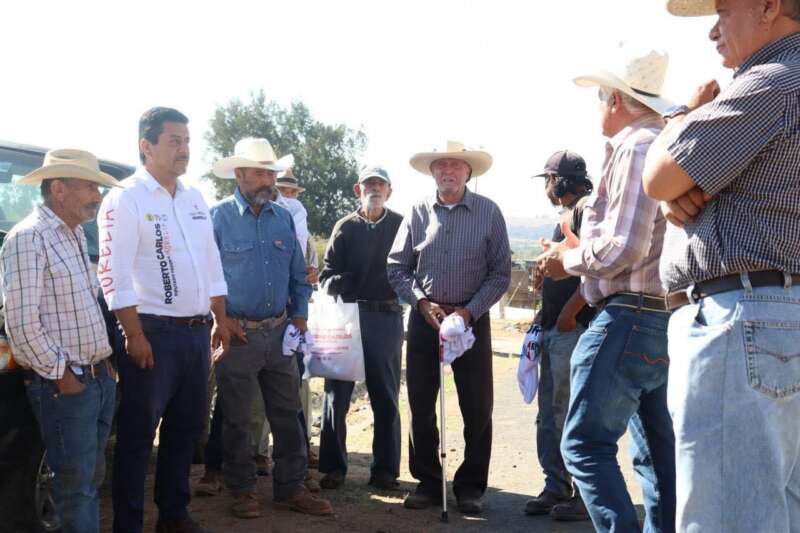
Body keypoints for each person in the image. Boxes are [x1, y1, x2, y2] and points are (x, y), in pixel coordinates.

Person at [643, 1, 800, 530]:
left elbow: (659, 177)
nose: (713, 30)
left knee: (725, 516)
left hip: (742, 318)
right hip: (775, 315)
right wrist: (676, 189)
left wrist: (682, 117)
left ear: (769, 6)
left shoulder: (773, 81)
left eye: (725, 10)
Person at [536, 49, 676, 532]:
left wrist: (566, 260)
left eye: (601, 97)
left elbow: (626, 247)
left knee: (583, 444)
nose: (598, 107)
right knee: (656, 454)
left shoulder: (637, 146)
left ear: (616, 98)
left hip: (627, 315)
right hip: (656, 317)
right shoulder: (655, 141)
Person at [98, 107, 231, 533]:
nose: (184, 150)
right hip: (151, 332)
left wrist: (220, 318)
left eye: (188, 141)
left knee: (186, 429)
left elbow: (211, 263)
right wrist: (132, 334)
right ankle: (129, 523)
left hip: (195, 335)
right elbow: (113, 272)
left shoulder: (193, 198)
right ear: (146, 145)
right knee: (138, 437)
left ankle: (174, 515)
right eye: (174, 141)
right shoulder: (125, 198)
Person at [209, 137, 332, 518]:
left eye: (272, 173)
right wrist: (222, 320)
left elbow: (299, 276)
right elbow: (204, 277)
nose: (268, 180)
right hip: (238, 334)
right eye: (261, 172)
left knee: (288, 413)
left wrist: (299, 318)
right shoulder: (217, 218)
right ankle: (243, 490)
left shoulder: (283, 218)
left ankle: (291, 488)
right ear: (240, 173)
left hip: (281, 333)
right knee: (237, 418)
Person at [387, 140, 511, 515]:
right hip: (426, 320)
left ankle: (471, 486)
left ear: (468, 172)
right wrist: (422, 303)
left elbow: (500, 273)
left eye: (456, 166)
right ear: (432, 172)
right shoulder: (417, 211)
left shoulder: (489, 212)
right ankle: (427, 480)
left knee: (477, 406)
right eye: (441, 166)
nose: (448, 172)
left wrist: (468, 313)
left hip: (472, 320)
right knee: (421, 404)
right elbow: (397, 267)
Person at [0, 149, 121, 533]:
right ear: (58, 188)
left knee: (87, 482)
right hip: (68, 386)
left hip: (95, 380)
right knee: (76, 490)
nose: (97, 196)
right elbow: (21, 325)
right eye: (90, 186)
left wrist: (104, 370)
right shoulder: (28, 238)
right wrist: (63, 377)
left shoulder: (68, 235)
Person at [317, 166, 404, 490]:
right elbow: (326, 275)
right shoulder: (345, 227)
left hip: (385, 317)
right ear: (358, 190)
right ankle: (333, 468)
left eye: (380, 184)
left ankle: (385, 471)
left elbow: (412, 269)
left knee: (386, 397)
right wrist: (342, 282)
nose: (375, 189)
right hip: (345, 318)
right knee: (335, 397)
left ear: (389, 191)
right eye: (369, 184)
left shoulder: (401, 225)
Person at [524, 151, 594, 522]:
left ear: (559, 180)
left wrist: (569, 313)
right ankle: (556, 486)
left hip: (573, 328)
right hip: (554, 327)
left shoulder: (586, 210)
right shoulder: (567, 214)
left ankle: (584, 494)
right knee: (550, 412)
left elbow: (596, 269)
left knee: (569, 412)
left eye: (549, 181)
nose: (547, 189)